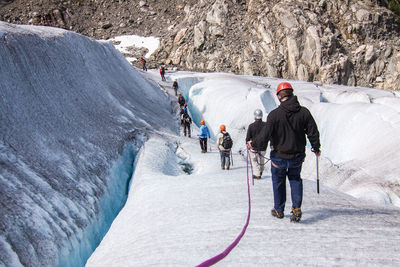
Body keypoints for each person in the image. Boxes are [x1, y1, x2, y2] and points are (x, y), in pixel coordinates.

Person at [249, 82, 321, 223]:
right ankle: (296, 208)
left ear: (279, 96)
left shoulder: (275, 115)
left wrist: (253, 144)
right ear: (292, 94)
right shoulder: (304, 112)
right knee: (295, 179)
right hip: (297, 156)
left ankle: (279, 210)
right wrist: (316, 148)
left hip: (279, 156)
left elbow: (265, 135)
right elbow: (313, 132)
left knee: (278, 182)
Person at [246, 109, 267, 179]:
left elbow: (248, 138)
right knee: (261, 159)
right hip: (263, 147)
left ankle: (257, 174)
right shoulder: (266, 125)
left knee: (254, 161)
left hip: (254, 147)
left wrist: (248, 144)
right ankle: (261, 170)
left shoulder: (251, 126)